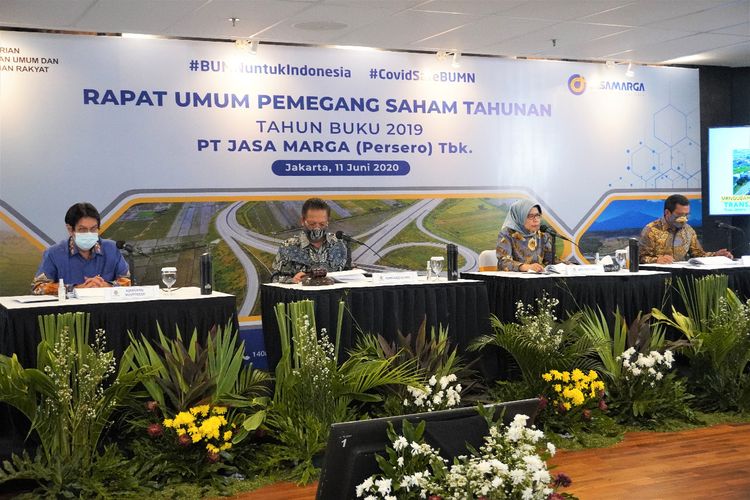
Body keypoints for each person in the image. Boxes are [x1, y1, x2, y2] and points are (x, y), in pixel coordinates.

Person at [31, 202, 131, 295]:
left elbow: (127, 282)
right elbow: (38, 287)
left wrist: (106, 286)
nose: (89, 234)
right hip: (70, 307)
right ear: (70, 229)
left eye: (93, 229)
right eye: (83, 229)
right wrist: (75, 289)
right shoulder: (54, 253)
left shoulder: (112, 249)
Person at [271, 198, 348, 283]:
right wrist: (292, 280)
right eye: (312, 224)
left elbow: (348, 272)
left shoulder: (339, 244)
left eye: (322, 224)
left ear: (327, 222)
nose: (317, 228)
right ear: (303, 221)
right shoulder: (288, 246)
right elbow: (275, 279)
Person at [639, 194, 732, 264]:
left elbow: (698, 255)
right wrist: (657, 260)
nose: (684, 219)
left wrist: (716, 256)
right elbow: (640, 258)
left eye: (687, 215)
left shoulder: (688, 230)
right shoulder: (651, 230)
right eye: (679, 215)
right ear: (667, 213)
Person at [496, 199, 557, 272]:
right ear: (519, 217)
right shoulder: (507, 234)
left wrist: (568, 266)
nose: (536, 220)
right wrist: (525, 267)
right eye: (531, 216)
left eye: (537, 215)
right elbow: (503, 263)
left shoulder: (542, 234)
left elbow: (551, 260)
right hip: (514, 278)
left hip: (537, 277)